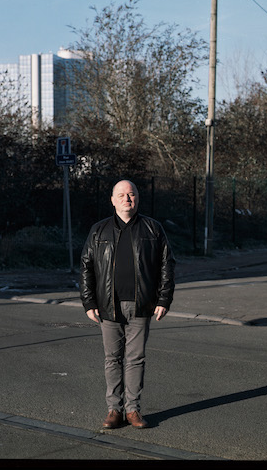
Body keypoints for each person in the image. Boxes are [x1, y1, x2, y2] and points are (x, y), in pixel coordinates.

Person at [80, 179, 175, 430]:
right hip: (108, 305)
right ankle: (114, 410)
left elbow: (167, 264)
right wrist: (89, 301)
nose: (127, 199)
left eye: (131, 194)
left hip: (141, 304)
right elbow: (86, 266)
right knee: (112, 358)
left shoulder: (153, 229)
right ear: (112, 200)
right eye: (121, 195)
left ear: (137, 199)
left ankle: (132, 410)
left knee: (135, 358)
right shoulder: (98, 230)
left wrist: (164, 299)